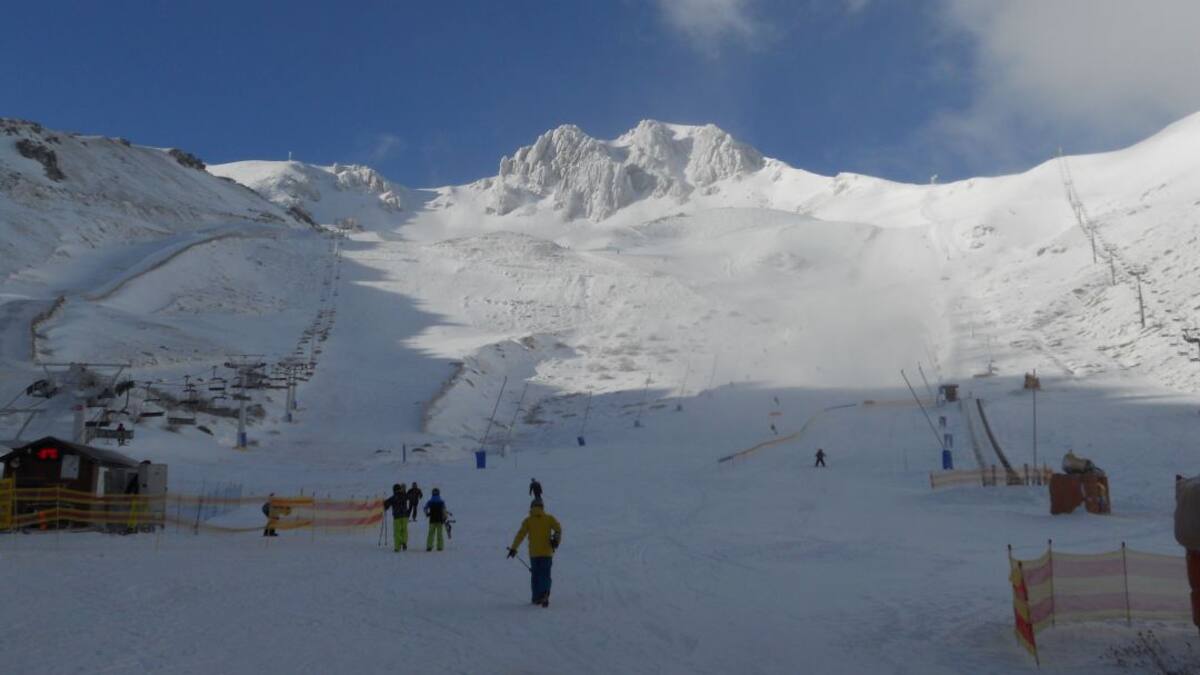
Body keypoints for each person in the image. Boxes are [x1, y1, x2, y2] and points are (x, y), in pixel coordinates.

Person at [508, 498, 563, 607]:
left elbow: (521, 535)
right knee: (545, 574)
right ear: (542, 507)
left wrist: (514, 548)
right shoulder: (549, 518)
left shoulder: (528, 521)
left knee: (536, 575)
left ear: (532, 507)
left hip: (534, 553)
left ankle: (536, 597)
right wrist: (556, 540)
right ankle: (545, 592)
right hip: (547, 552)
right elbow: (558, 529)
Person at [382, 483, 409, 551]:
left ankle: (397, 547)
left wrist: (385, 505)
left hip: (397, 517)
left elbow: (386, 504)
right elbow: (410, 497)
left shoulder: (394, 497)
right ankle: (404, 542)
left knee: (397, 531)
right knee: (404, 530)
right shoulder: (404, 495)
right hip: (405, 516)